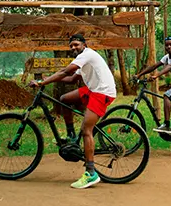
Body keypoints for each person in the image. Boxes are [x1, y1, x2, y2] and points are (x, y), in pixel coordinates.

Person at [29, 34, 116, 189]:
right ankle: (70, 134)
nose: (73, 48)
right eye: (71, 46)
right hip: (93, 90)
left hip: (102, 92)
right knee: (64, 99)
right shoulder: (83, 59)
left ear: (84, 44)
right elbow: (71, 79)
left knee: (86, 130)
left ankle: (91, 173)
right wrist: (49, 78)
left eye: (76, 44)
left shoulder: (87, 55)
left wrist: (43, 82)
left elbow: (65, 72)